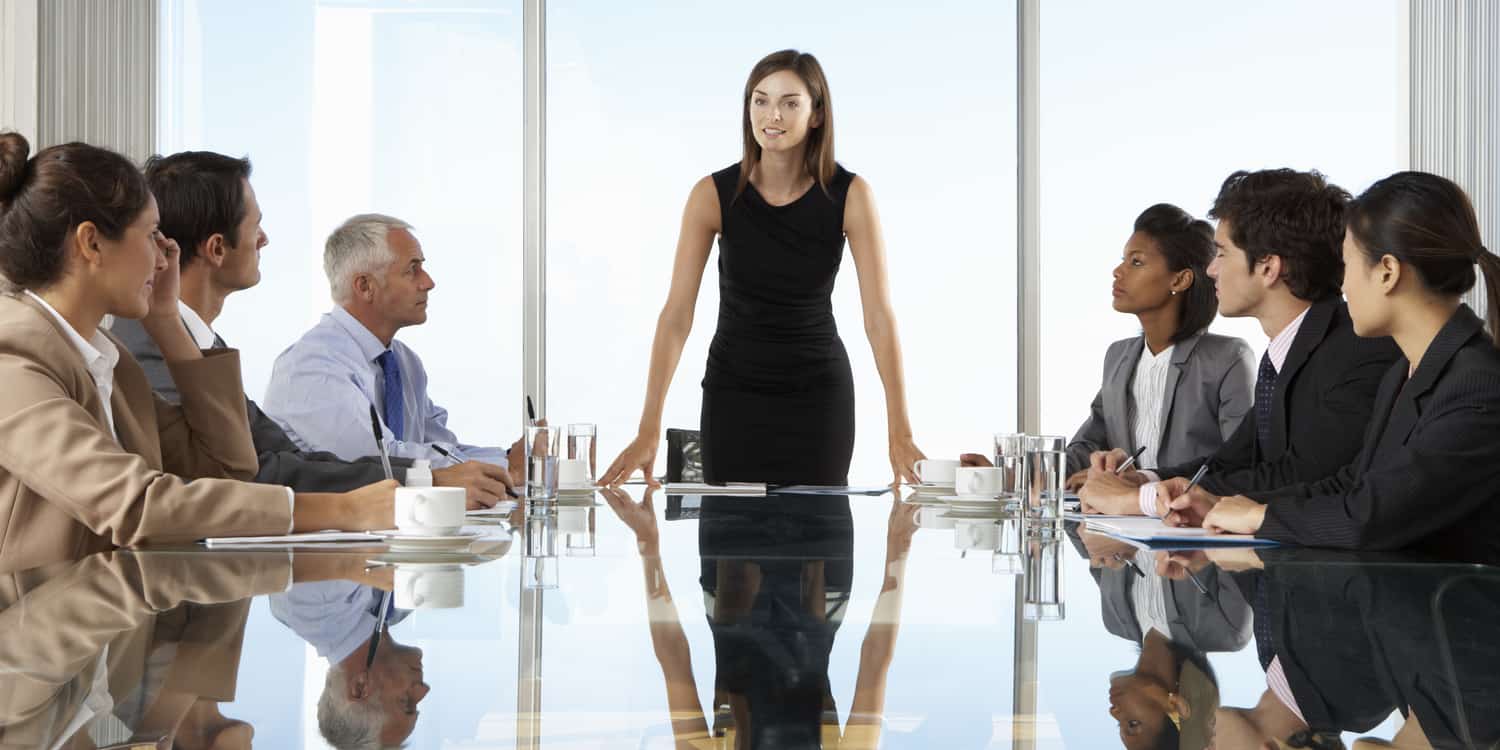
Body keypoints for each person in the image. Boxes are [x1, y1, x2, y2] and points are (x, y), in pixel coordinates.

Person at [0, 133, 392, 571]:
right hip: (32, 630)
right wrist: (343, 511)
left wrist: (167, 323)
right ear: (92, 244)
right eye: (151, 236)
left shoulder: (108, 360)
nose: (164, 258)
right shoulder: (12, 362)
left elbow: (227, 468)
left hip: (106, 627)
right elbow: (135, 505)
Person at [111, 151, 514, 507]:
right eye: (256, 227)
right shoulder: (149, 345)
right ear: (217, 248)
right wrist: (424, 484)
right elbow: (247, 475)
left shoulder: (202, 343)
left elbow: (286, 458)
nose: (265, 240)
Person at [599, 49, 925, 488]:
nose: (773, 114)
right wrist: (648, 428)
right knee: (730, 544)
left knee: (818, 542)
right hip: (733, 395)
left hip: (819, 399)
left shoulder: (851, 195)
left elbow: (879, 319)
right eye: (761, 100)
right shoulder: (711, 195)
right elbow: (676, 317)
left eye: (790, 102)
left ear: (816, 115)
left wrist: (900, 433)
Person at [1161, 172, 1500, 563]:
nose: (1343, 285)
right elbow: (1352, 484)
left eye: (1347, 264)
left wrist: (1259, 515)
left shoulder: (1477, 383)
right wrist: (1223, 505)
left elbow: (1373, 517)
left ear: (1387, 272)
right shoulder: (1403, 374)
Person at [1079, 169, 1400, 517]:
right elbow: (1230, 462)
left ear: (1268, 267)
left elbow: (1303, 476)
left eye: (1222, 253)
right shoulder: (1284, 353)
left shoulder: (1357, 347)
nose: (1212, 270)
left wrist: (1144, 500)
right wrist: (1141, 479)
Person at [262, 213, 524, 480]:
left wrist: (509, 459)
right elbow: (381, 463)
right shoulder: (311, 367)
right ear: (365, 286)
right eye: (413, 269)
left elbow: (443, 451)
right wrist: (506, 467)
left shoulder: (403, 361)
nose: (428, 282)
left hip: (398, 518)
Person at [1061, 203, 1254, 489]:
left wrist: (1145, 483)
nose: (1118, 271)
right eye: (1123, 260)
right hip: (1126, 522)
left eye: (1136, 262)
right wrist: (1011, 475)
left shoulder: (1228, 358)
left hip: (1194, 523)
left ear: (1180, 278)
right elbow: (1087, 446)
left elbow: (1242, 462)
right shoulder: (1119, 356)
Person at [270, 580, 428, 748]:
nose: (423, 690)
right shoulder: (396, 610)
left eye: (406, 702)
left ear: (360, 687)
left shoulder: (308, 606)